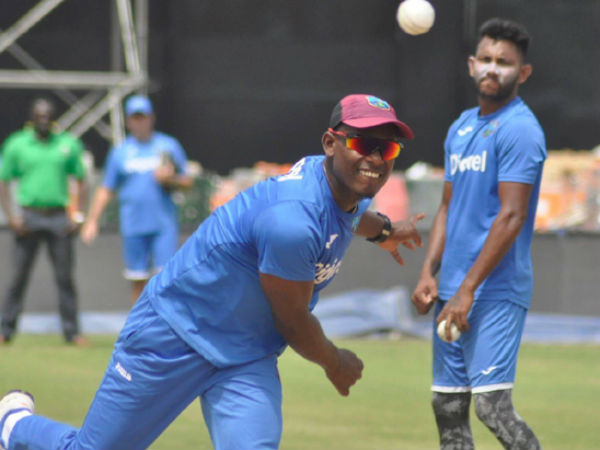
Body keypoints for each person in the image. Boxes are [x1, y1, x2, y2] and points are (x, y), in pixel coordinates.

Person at [0, 93, 424, 450]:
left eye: (386, 149)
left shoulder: (336, 183)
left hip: (246, 355)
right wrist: (335, 362)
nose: (374, 158)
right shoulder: (292, 222)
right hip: (174, 333)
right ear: (330, 143)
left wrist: (386, 231)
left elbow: (349, 214)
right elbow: (293, 321)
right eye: (363, 143)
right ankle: (13, 424)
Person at [411, 18, 546, 450]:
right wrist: (429, 273)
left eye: (504, 62)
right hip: (453, 290)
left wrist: (467, 289)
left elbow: (512, 215)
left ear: (523, 73)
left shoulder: (520, 129)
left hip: (494, 290)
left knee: (492, 408)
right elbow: (447, 207)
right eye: (486, 59)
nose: (493, 68)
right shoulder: (461, 127)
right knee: (448, 406)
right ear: (471, 65)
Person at [81, 95, 193, 306]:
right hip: (133, 224)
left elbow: (187, 181)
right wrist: (92, 220)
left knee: (166, 280)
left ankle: (164, 324)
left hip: (163, 224)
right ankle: (138, 324)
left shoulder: (168, 145)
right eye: (135, 118)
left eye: (143, 117)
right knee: (137, 279)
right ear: (128, 121)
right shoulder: (120, 152)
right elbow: (106, 188)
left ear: (151, 118)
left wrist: (170, 179)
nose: (140, 122)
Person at [0, 98, 88, 345]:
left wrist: (78, 214)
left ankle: (72, 333)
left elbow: (82, 180)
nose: (44, 121)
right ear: (31, 118)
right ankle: (5, 330)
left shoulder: (67, 144)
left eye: (48, 116)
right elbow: (3, 181)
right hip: (28, 216)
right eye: (39, 116)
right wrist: (11, 216)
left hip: (59, 216)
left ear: (54, 118)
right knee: (18, 277)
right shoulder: (17, 144)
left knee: (65, 278)